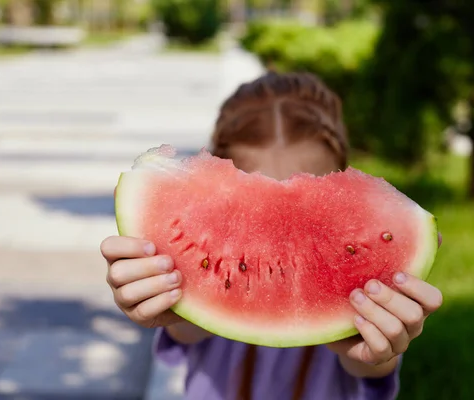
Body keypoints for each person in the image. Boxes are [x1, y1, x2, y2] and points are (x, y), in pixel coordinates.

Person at [100, 72, 443, 400]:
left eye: (304, 208)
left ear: (340, 184)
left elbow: (366, 367)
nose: (279, 232)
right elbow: (187, 328)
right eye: (258, 207)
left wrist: (377, 350)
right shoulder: (203, 315)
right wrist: (162, 290)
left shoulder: (359, 301)